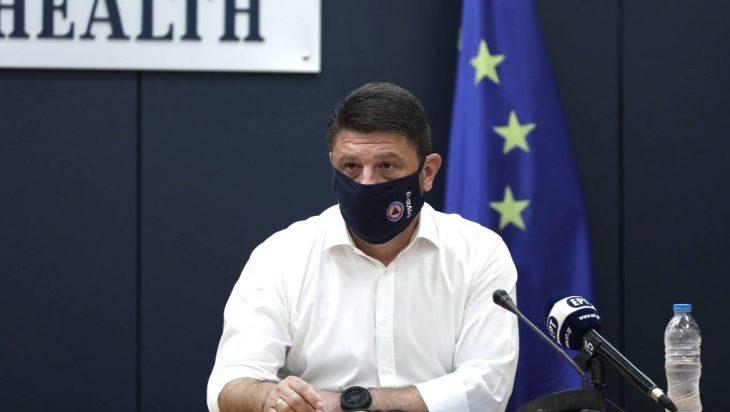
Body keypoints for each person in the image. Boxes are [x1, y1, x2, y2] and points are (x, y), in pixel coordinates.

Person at [207, 82, 519, 412]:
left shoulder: (479, 253)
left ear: (427, 172)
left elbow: (487, 390)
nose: (367, 183)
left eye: (386, 166)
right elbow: (229, 384)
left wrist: (347, 404)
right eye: (351, 167)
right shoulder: (280, 257)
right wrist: (268, 398)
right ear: (333, 165)